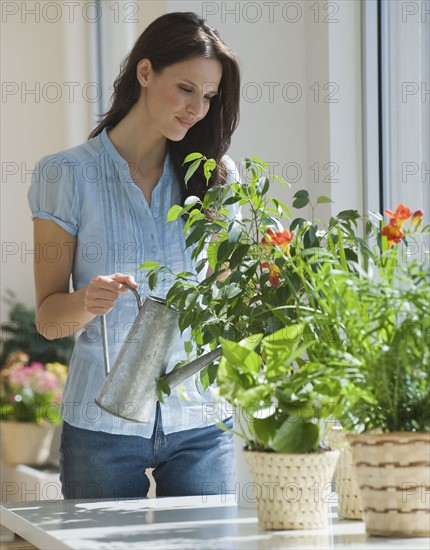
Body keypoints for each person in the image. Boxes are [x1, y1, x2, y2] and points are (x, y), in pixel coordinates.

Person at [28, 11, 241, 500]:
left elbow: (227, 305)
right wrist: (87, 300)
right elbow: (48, 321)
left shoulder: (217, 176)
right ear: (145, 73)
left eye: (209, 96)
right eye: (186, 88)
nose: (198, 109)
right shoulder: (66, 176)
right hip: (100, 428)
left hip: (202, 423)